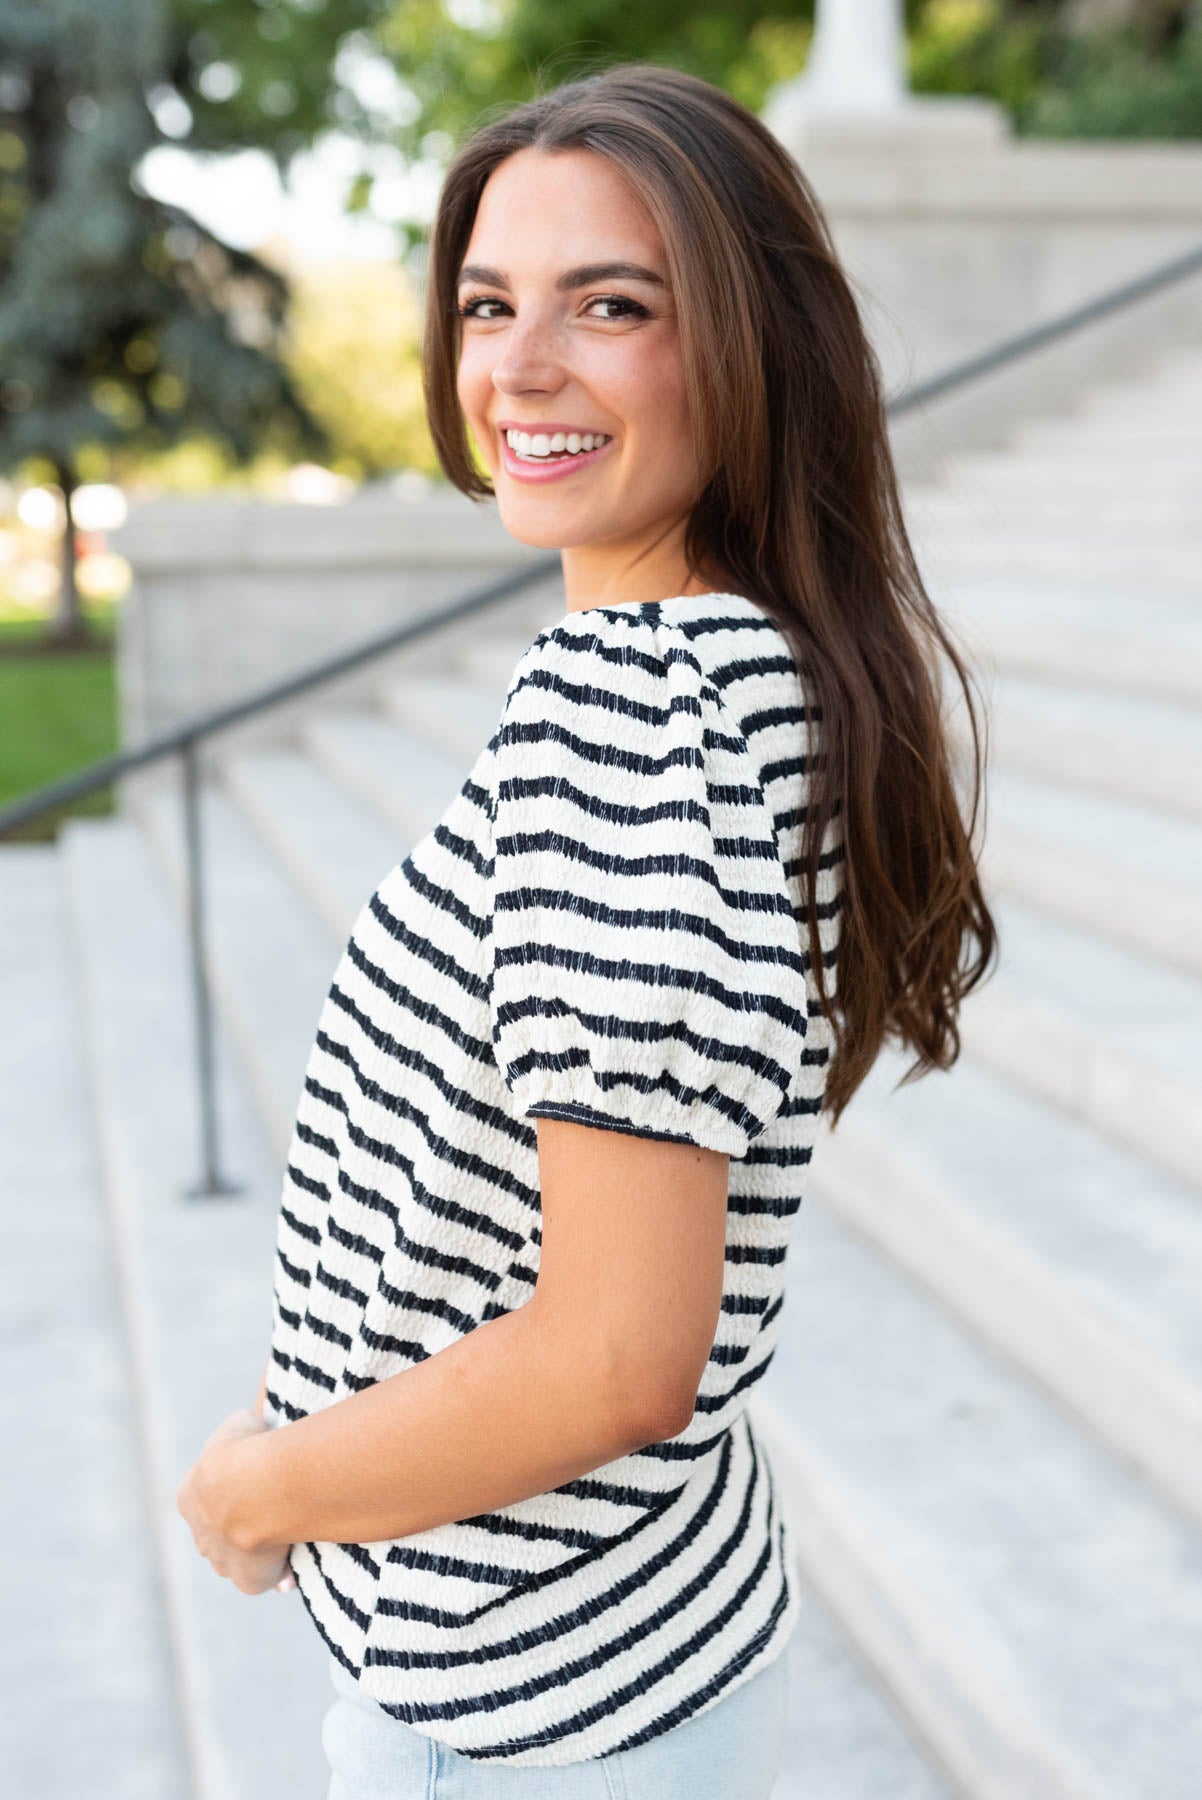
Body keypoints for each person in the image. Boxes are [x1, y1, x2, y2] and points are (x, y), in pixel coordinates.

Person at [176, 58, 996, 1798]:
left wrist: (268, 1485)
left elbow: (619, 1350)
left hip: (538, 1720)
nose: (517, 369)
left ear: (741, 344)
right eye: (487, 303)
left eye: (607, 305)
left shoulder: (635, 716)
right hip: (607, 1650)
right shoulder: (734, 667)